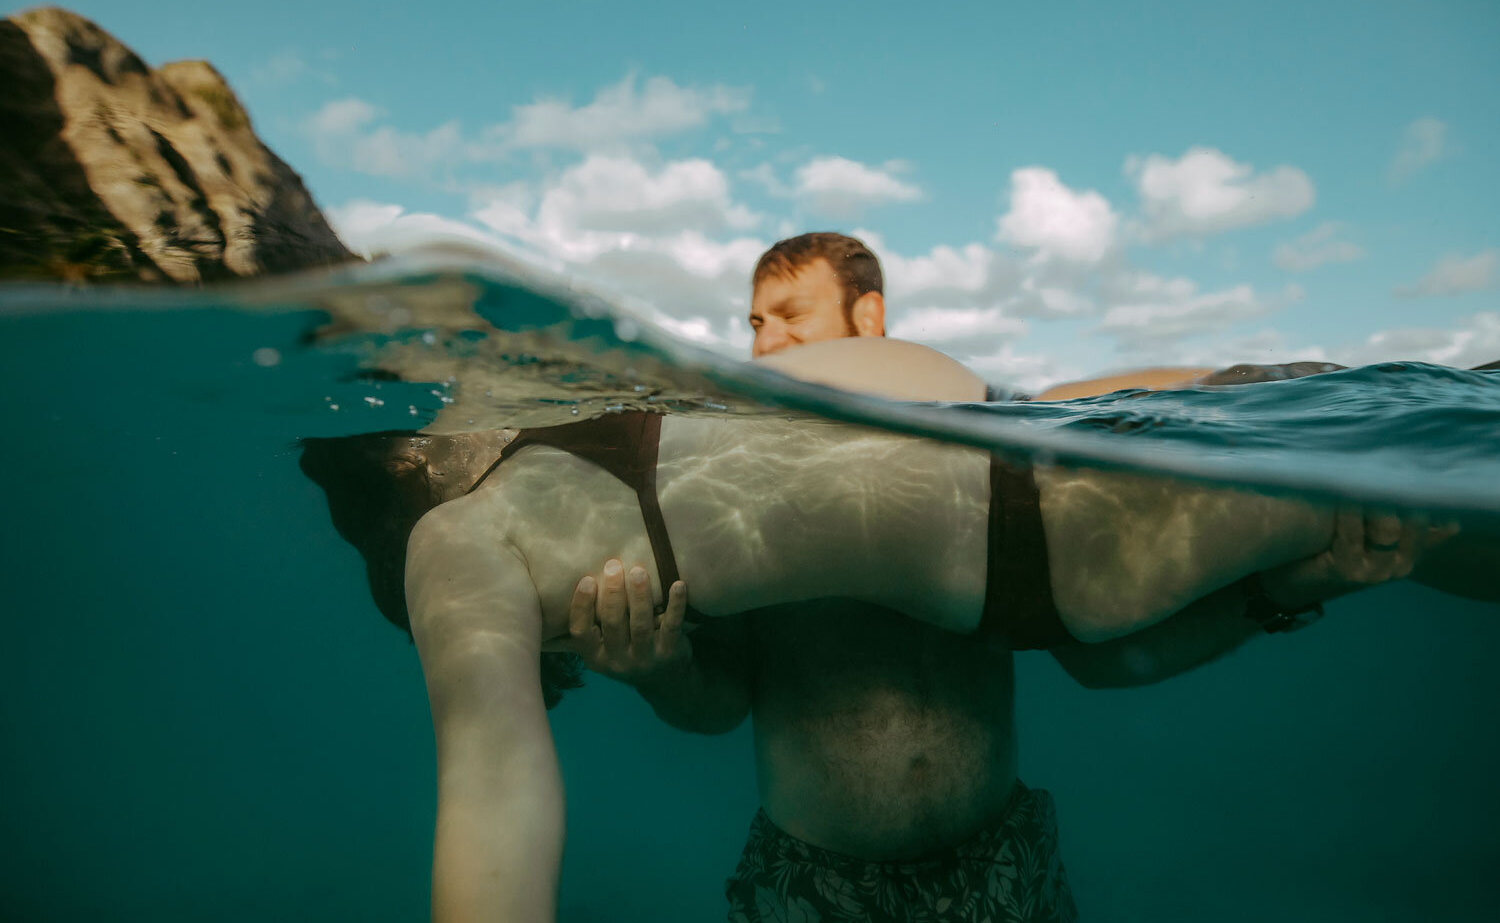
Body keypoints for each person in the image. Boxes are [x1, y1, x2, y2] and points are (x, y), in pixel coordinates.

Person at [302, 333, 1465, 923]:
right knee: (1413, 471)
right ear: (404, 457)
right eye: (426, 379)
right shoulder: (463, 527)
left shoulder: (564, 443)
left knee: (1418, 497)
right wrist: (660, 670)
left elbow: (494, 763)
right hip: (1058, 534)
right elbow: (493, 777)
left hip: (1053, 555)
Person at [555, 233, 1416, 922]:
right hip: (813, 888)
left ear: (869, 319)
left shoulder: (978, 442)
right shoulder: (730, 481)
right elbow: (723, 702)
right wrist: (656, 670)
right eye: (752, 323)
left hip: (1004, 868)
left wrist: (1301, 584)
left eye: (788, 314)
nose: (763, 342)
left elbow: (1101, 657)